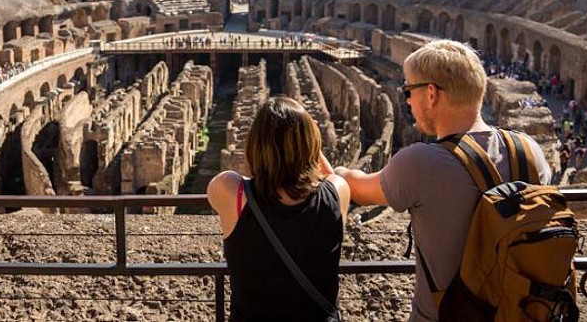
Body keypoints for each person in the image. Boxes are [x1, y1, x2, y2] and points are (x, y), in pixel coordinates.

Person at [334, 40, 551, 322]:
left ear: (432, 94)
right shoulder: (529, 151)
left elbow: (359, 190)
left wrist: (334, 173)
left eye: (409, 90)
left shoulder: (421, 162)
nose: (408, 101)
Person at [207, 96, 350, 322]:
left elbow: (220, 189)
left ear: (254, 144)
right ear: (310, 144)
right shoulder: (339, 192)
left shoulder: (230, 191)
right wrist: (311, 139)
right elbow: (329, 177)